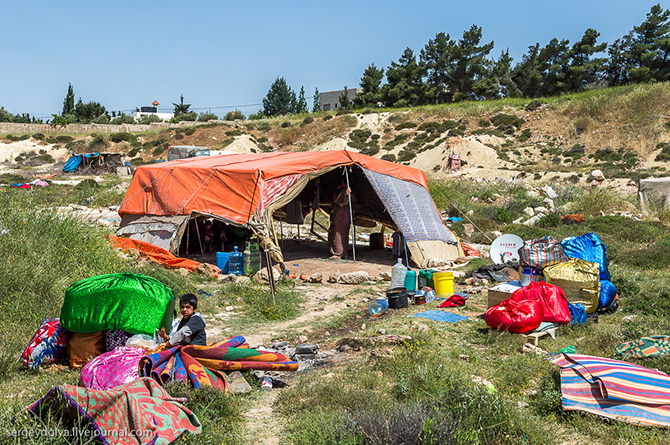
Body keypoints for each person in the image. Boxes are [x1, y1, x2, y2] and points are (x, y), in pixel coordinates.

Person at [328, 179, 355, 259]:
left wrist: (347, 194)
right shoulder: (342, 191)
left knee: (337, 233)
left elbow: (341, 202)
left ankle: (338, 253)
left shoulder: (344, 191)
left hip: (340, 215)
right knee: (343, 234)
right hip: (344, 216)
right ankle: (343, 253)